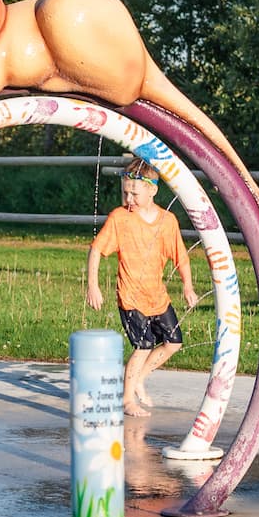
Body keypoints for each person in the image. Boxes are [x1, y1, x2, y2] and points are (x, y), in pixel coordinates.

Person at [85, 159, 199, 418]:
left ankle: (138, 379)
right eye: (125, 192)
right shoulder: (120, 218)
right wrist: (93, 285)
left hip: (156, 295)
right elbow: (96, 250)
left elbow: (180, 255)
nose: (128, 198)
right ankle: (126, 400)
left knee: (174, 343)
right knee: (144, 346)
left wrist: (188, 286)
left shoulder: (167, 221)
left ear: (153, 190)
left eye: (134, 193)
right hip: (131, 297)